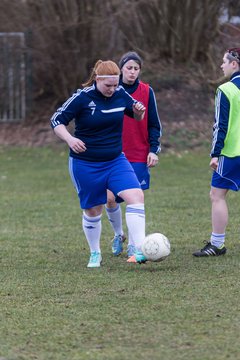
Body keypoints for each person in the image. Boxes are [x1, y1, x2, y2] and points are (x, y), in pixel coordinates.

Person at [50, 59, 148, 267]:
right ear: (97, 79)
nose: (113, 89)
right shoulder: (82, 98)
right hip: (85, 163)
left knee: (136, 196)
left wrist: (139, 111)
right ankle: (95, 252)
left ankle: (139, 250)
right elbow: (56, 120)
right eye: (108, 85)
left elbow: (137, 117)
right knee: (93, 210)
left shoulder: (121, 93)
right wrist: (70, 139)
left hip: (115, 160)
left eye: (115, 84)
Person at [104, 51, 162, 261]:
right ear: (121, 69)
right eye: (129, 68)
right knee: (110, 198)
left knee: (133, 199)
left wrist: (153, 149)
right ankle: (119, 234)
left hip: (138, 153)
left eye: (136, 68)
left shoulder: (147, 91)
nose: (132, 72)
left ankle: (135, 246)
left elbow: (154, 123)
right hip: (112, 153)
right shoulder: (111, 90)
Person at [193, 47, 240, 257]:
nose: (221, 65)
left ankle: (217, 244)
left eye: (223, 61)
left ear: (234, 64)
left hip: (232, 153)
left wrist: (215, 153)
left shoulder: (226, 90)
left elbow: (220, 126)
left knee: (217, 195)